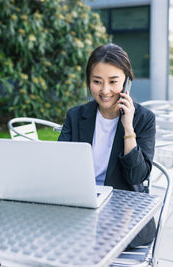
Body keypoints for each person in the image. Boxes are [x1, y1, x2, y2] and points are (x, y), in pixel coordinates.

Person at [58, 43, 156, 248]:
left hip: (123, 215)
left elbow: (137, 177)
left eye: (113, 82)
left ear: (127, 82)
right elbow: (60, 164)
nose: (104, 91)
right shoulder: (75, 116)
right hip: (80, 208)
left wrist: (128, 129)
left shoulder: (144, 119)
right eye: (97, 81)